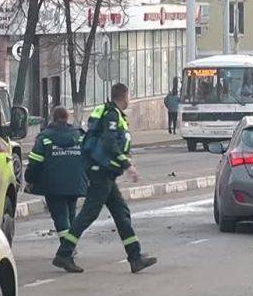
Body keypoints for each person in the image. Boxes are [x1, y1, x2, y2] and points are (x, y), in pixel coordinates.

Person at [53, 83, 158, 274]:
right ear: (124, 96)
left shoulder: (112, 113)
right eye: (129, 95)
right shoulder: (112, 115)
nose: (130, 99)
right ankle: (64, 254)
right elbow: (109, 142)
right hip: (101, 173)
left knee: (121, 213)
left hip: (106, 173)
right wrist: (127, 165)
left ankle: (135, 257)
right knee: (88, 214)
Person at [25, 106, 87, 241]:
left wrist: (29, 179)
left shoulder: (45, 137)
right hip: (75, 183)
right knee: (71, 213)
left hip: (53, 185)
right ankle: (71, 244)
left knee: (60, 216)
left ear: (53, 118)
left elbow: (35, 162)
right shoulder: (79, 135)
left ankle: (67, 247)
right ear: (67, 118)